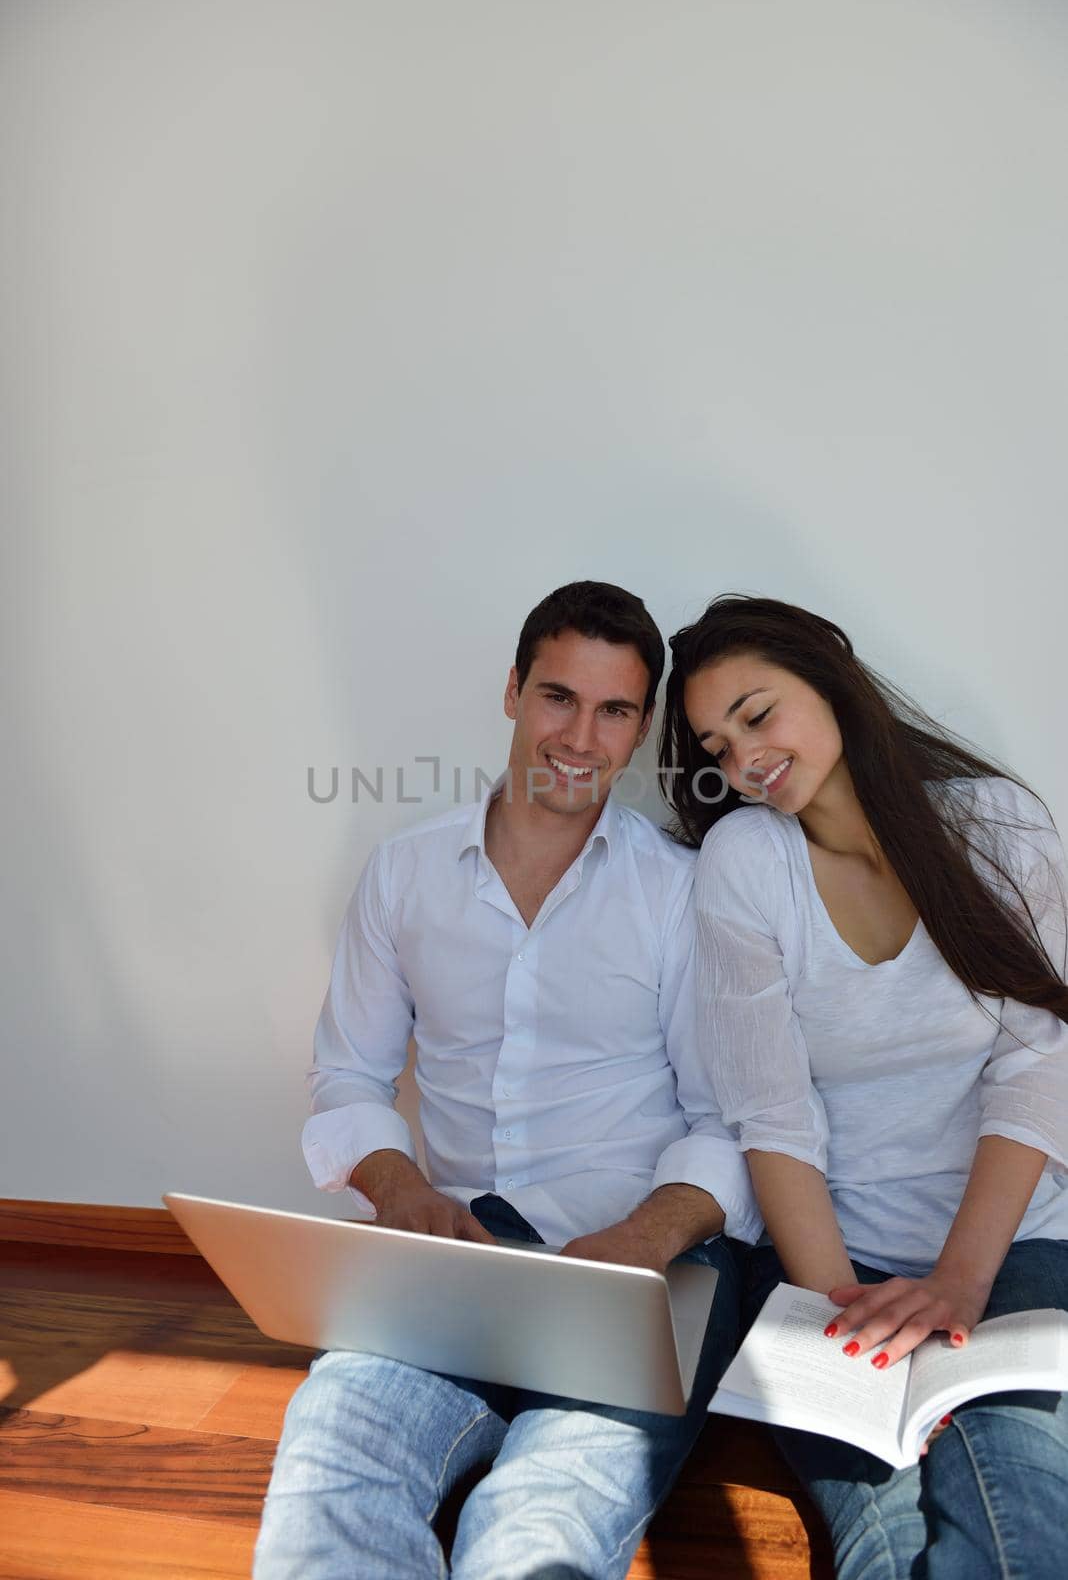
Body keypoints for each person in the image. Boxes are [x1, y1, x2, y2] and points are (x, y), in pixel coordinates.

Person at [253, 580, 760, 1580]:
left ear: (644, 723)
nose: (581, 735)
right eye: (558, 697)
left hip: (645, 1260)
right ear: (513, 692)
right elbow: (349, 1076)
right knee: (333, 1463)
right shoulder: (403, 874)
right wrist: (400, 1191)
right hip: (459, 1254)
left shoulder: (683, 892)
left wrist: (641, 1239)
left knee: (540, 1525)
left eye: (614, 710)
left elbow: (731, 1118)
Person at [659, 594, 1068, 1580]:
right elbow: (772, 1111)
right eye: (718, 745)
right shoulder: (745, 862)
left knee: (1013, 1511)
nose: (743, 758)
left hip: (1010, 1244)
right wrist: (842, 1312)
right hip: (826, 1256)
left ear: (831, 676)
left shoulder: (997, 825)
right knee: (880, 1531)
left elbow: (1040, 1060)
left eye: (758, 715)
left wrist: (959, 1284)